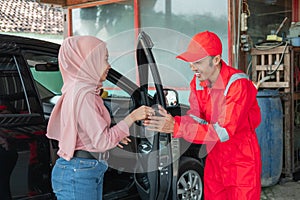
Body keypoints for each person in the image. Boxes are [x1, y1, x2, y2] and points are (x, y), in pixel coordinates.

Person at [144, 31, 262, 200]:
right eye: (191, 62)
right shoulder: (198, 83)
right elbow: (196, 118)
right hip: (214, 158)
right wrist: (171, 121)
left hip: (241, 160)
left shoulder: (238, 84)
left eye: (198, 62)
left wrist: (176, 127)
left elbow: (224, 131)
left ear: (216, 60)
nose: (192, 67)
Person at [46, 35, 154, 200]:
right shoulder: (84, 94)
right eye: (104, 59)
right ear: (89, 62)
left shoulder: (80, 90)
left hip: (83, 169)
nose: (108, 66)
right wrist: (132, 117)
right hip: (80, 172)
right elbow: (102, 141)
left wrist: (116, 134)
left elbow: (89, 135)